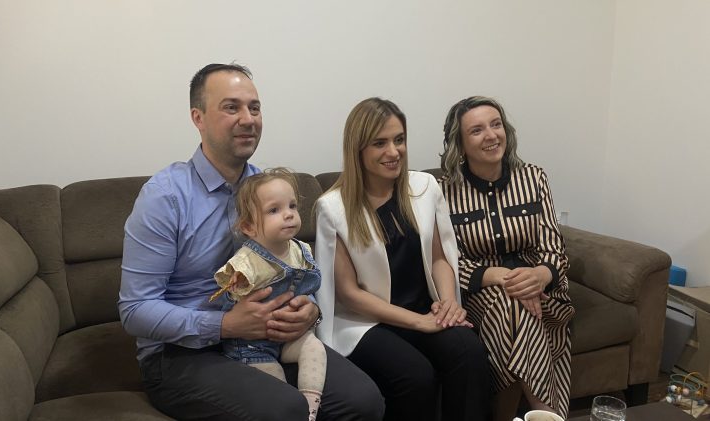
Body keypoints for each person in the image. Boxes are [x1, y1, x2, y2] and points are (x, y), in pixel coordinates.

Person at [118, 63, 384, 421]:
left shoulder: (270, 191)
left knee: (364, 401)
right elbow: (135, 309)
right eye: (232, 107)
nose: (248, 119)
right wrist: (226, 326)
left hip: (268, 339)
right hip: (181, 353)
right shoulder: (164, 197)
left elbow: (293, 264)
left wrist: (310, 310)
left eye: (254, 108)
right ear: (198, 117)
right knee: (284, 409)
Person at [314, 97, 491, 421]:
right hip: (366, 323)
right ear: (358, 149)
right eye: (380, 143)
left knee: (468, 350)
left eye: (399, 139)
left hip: (425, 308)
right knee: (415, 376)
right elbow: (348, 294)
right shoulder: (334, 207)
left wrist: (448, 303)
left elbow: (439, 258)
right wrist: (418, 322)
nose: (394, 151)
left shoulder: (424, 187)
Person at [437, 96, 575, 420]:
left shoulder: (533, 178)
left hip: (543, 292)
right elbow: (447, 260)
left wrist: (539, 276)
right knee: (511, 307)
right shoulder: (444, 191)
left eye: (496, 124)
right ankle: (548, 414)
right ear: (460, 144)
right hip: (482, 294)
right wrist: (501, 278)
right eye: (477, 130)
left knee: (515, 312)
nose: (491, 135)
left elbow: (553, 247)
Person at [211, 168, 326, 421]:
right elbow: (227, 295)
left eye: (292, 206)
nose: (289, 214)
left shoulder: (300, 250)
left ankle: (310, 411)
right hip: (253, 346)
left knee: (315, 349)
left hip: (290, 335)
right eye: (274, 210)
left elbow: (310, 289)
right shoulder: (247, 262)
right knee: (277, 389)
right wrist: (237, 284)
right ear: (248, 227)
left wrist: (310, 306)